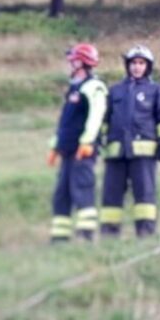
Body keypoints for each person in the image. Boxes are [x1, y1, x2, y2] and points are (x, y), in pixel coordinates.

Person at [100, 45, 160, 238]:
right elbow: (105, 119)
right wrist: (99, 139)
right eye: (133, 63)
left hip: (144, 153)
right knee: (111, 194)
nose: (137, 67)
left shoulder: (156, 91)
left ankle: (145, 233)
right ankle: (109, 235)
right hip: (116, 153)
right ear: (128, 65)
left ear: (148, 66)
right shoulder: (115, 91)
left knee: (145, 195)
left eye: (141, 63)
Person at [47, 43, 108, 243]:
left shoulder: (94, 87)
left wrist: (87, 142)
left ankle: (86, 235)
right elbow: (65, 122)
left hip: (83, 150)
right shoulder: (74, 88)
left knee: (82, 189)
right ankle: (60, 237)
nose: (70, 64)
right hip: (67, 150)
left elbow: (96, 117)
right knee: (62, 194)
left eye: (73, 60)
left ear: (82, 62)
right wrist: (55, 146)